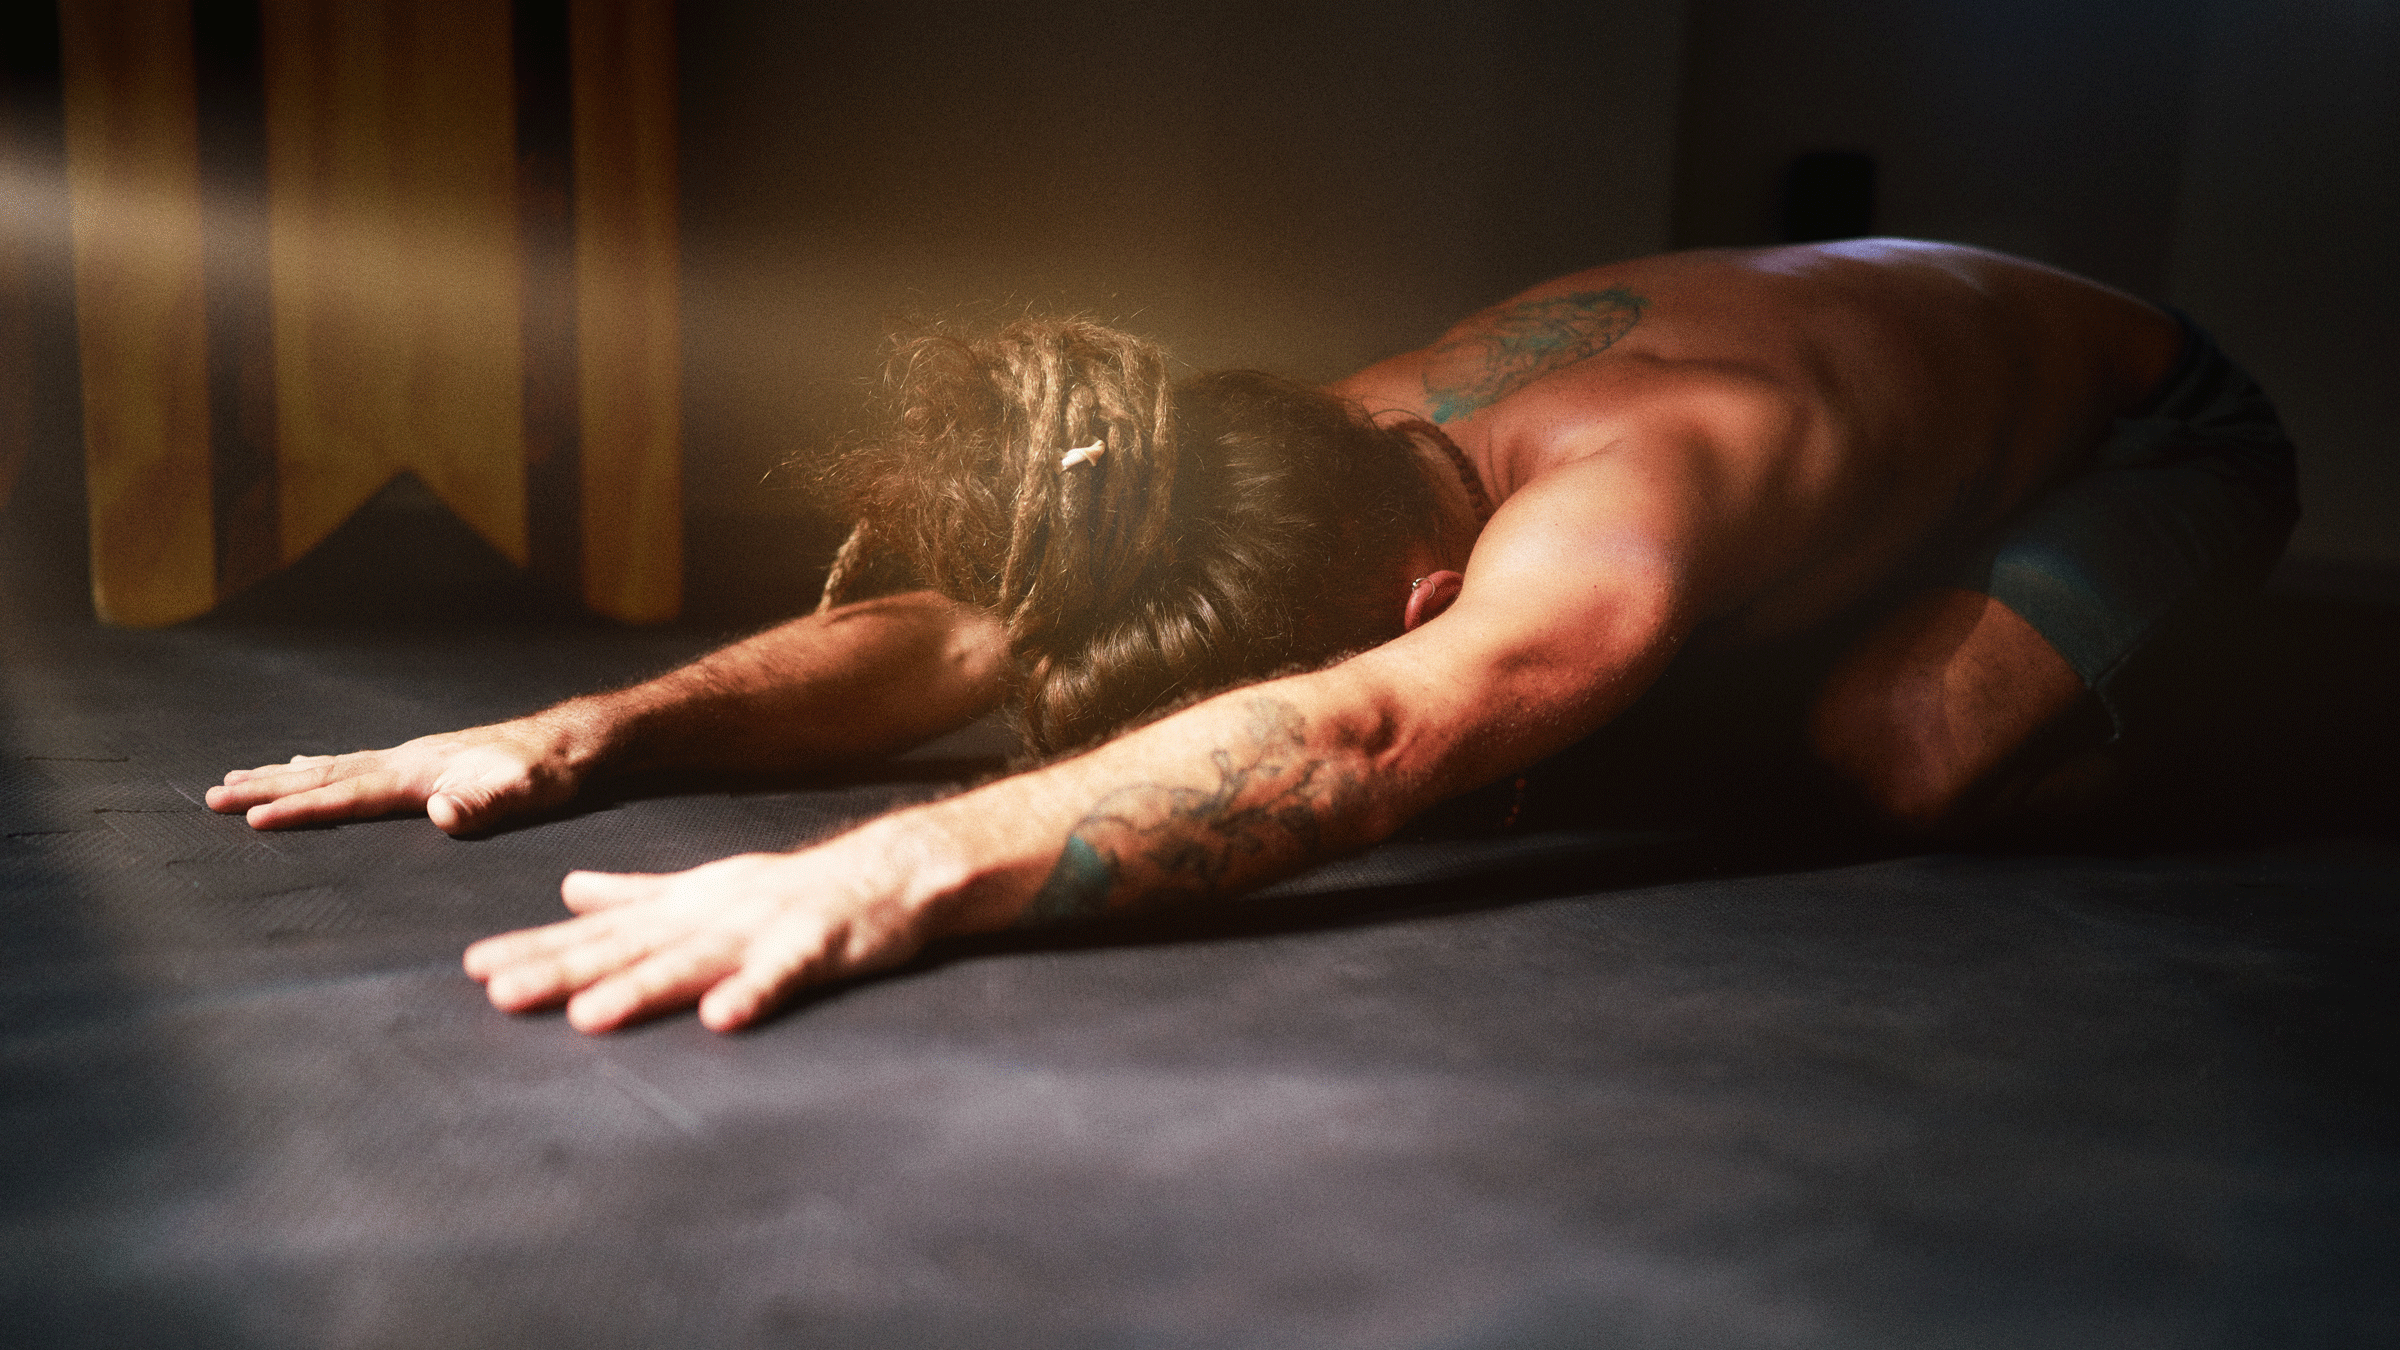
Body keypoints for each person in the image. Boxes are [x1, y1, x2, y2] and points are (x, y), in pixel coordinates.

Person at [204, 239, 2297, 1034]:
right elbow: (967, 640)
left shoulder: (1624, 520)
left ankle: (2101, 657)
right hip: (1858, 396)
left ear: (1419, 595)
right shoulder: (1328, 440)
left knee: (1897, 761)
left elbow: (1379, 738)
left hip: (2145, 417)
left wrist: (895, 867)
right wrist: (584, 734)